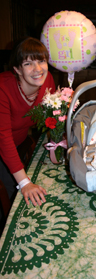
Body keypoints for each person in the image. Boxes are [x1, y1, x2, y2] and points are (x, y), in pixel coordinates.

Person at [0, 37, 56, 207]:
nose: (37, 69)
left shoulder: (47, 81)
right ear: (17, 69)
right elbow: (4, 138)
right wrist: (24, 183)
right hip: (5, 145)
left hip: (16, 145)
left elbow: (52, 116)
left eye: (41, 61)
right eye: (28, 64)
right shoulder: (3, 89)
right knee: (15, 198)